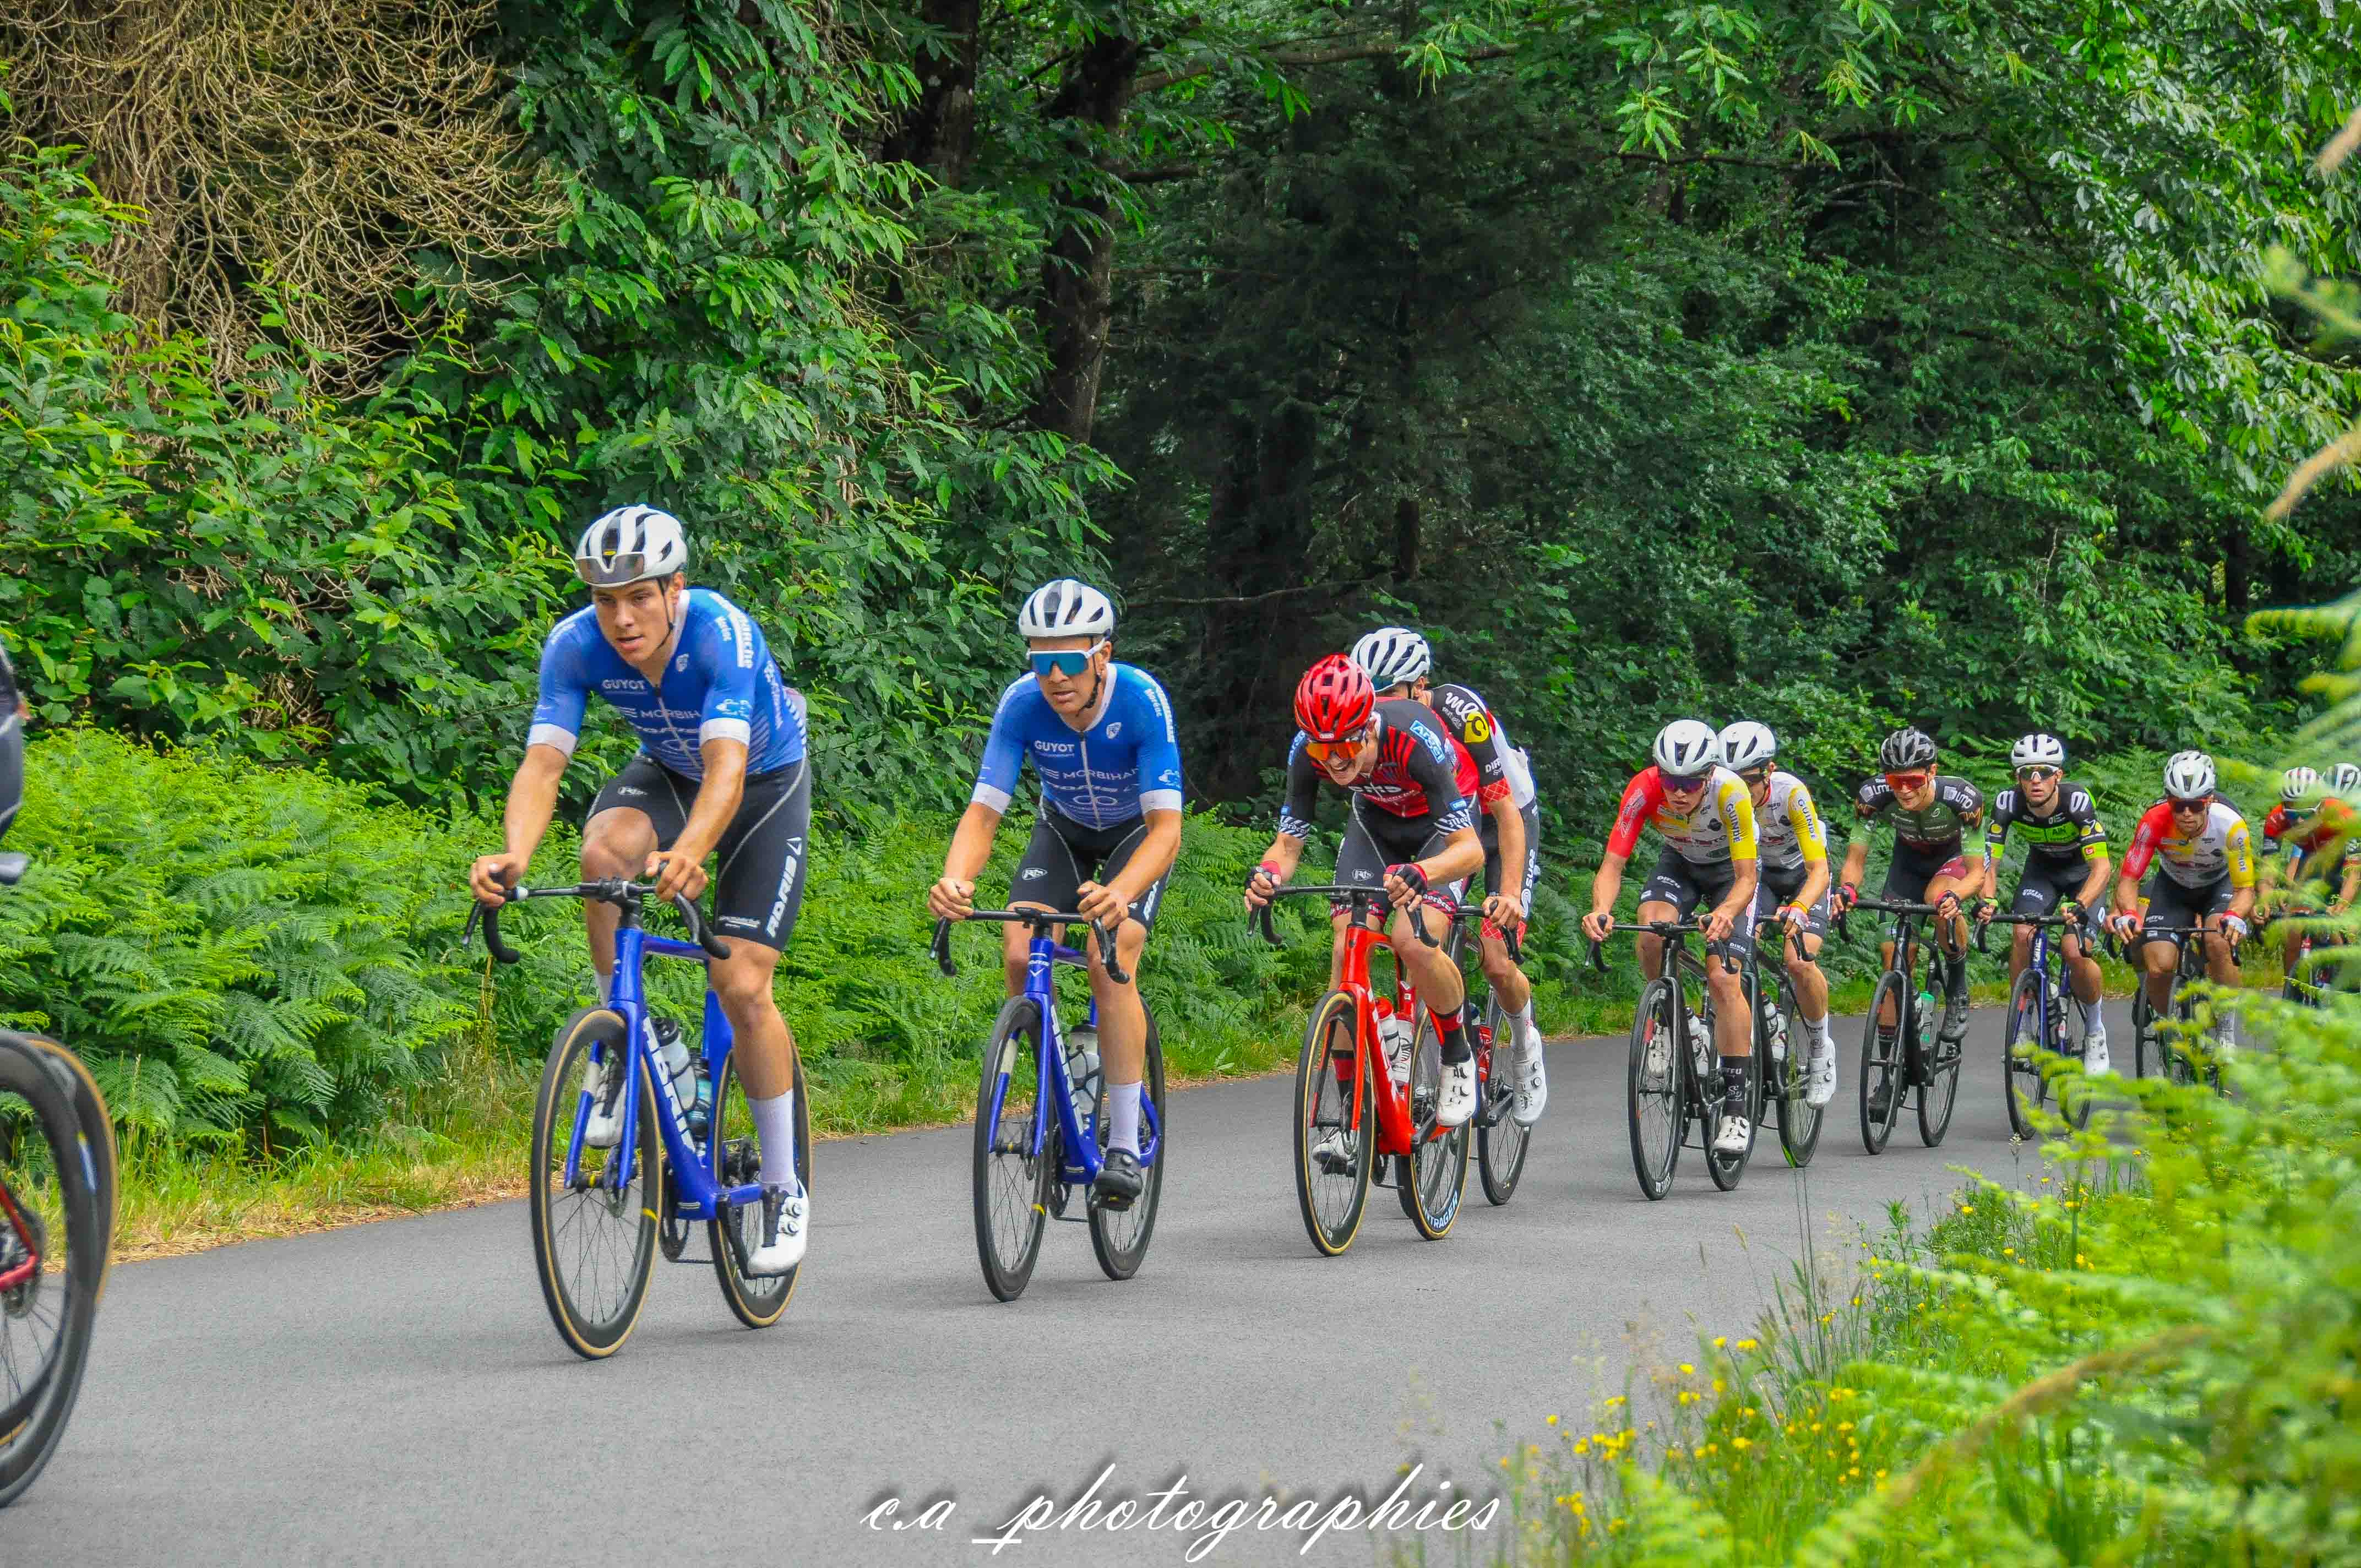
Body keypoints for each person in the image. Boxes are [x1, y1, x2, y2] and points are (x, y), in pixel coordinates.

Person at [470, 505, 814, 1275]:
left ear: (674, 589)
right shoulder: (574, 645)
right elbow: (543, 766)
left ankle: (783, 1184)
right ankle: (628, 1041)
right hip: (670, 770)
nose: (622, 619)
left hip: (762, 782)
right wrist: (515, 854)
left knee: (740, 982)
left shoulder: (722, 633)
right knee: (603, 855)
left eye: (638, 598)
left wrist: (690, 852)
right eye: (605, 600)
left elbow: (727, 769)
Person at [926, 580, 1183, 1208]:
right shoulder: (1022, 704)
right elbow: (983, 813)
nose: (1055, 677)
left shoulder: (1142, 700)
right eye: (1041, 662)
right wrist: (956, 878)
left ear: (1102, 654)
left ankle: (1121, 1143)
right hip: (1062, 832)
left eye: (1069, 659)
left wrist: (1121, 892)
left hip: (1134, 837)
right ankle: (1060, 1094)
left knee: (1108, 960)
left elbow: (1167, 830)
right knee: (1020, 952)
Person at [1247, 655, 1487, 1133]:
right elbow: (1288, 844)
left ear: (1369, 727)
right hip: (1376, 824)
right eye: (1322, 750)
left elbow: (1471, 851)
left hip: (1440, 830)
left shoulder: (1413, 734)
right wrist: (1268, 873)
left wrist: (1423, 872)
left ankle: (1457, 1052)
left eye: (1345, 746)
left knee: (1412, 941)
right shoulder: (1307, 750)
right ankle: (1348, 1119)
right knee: (1346, 947)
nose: (1334, 761)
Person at [1351, 627, 1547, 1125]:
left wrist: (1508, 894)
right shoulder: (1377, 734)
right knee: (1413, 933)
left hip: (1502, 818)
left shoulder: (1462, 714)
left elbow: (1504, 812)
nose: (1376, 706)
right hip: (1445, 820)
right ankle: (1423, 1033)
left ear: (1420, 686)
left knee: (1497, 961)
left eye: (1388, 693)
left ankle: (1525, 1042)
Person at [1580, 720, 1761, 1158]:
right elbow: (1612, 864)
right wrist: (1601, 909)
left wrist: (1726, 913)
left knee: (1723, 979)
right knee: (1650, 932)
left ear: (1709, 775)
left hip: (1730, 874)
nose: (1679, 793)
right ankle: (1672, 1021)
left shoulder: (1731, 793)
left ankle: (1736, 1106)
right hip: (1679, 862)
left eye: (1690, 783)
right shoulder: (1643, 789)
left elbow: (1747, 878)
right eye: (1670, 781)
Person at [1836, 727, 1984, 1120]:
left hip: (1952, 863)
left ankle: (1957, 986)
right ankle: (1889, 1076)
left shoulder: (1962, 799)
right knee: (1892, 962)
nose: (1903, 790)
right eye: (1895, 780)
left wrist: (1958, 897)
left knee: (1939, 900)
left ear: (1932, 772)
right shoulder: (1872, 797)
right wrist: (1847, 889)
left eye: (1914, 781)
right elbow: (1855, 859)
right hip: (1906, 867)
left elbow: (1977, 873)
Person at [1975, 733, 2113, 1070]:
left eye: (2045, 772)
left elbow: (2102, 867)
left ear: (2058, 776)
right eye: (2027, 773)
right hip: (2042, 872)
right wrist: (1987, 898)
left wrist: (2081, 904)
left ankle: (2095, 1031)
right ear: (2018, 778)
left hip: (2083, 875)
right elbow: (1989, 862)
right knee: (2022, 933)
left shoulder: (2077, 802)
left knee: (2073, 951)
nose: (2035, 780)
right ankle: (2023, 1027)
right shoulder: (2007, 803)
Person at [1718, 721, 1837, 1107]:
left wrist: (1800, 907)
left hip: (1804, 875)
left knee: (1798, 961)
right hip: (1761, 878)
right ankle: (1767, 1010)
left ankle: (1820, 1047)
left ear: (1769, 771)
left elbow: (1820, 870)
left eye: (1750, 780)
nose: (1742, 789)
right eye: (1734, 780)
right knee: (1734, 952)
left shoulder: (1791, 794)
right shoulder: (1720, 797)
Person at [2108, 751, 2255, 1044]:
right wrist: (2130, 913)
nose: (2187, 813)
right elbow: (2129, 879)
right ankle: (2170, 1029)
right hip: (2173, 886)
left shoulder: (2232, 825)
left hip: (2218, 885)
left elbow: (2245, 890)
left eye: (2195, 805)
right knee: (2159, 966)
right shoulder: (2153, 821)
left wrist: (2235, 915)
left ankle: (2226, 1029)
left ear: (2209, 801)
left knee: (2218, 941)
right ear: (2168, 801)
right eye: (2178, 805)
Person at [2256, 766, 2358, 988]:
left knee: (2342, 926)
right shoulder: (2276, 819)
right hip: (2314, 860)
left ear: (2321, 806)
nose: (2300, 821)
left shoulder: (2342, 815)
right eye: (2294, 814)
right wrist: (2266, 897)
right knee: (2294, 927)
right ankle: (2291, 992)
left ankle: (2345, 980)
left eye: (2307, 813)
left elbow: (2354, 871)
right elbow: (2268, 867)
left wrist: (2342, 903)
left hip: (2348, 860)